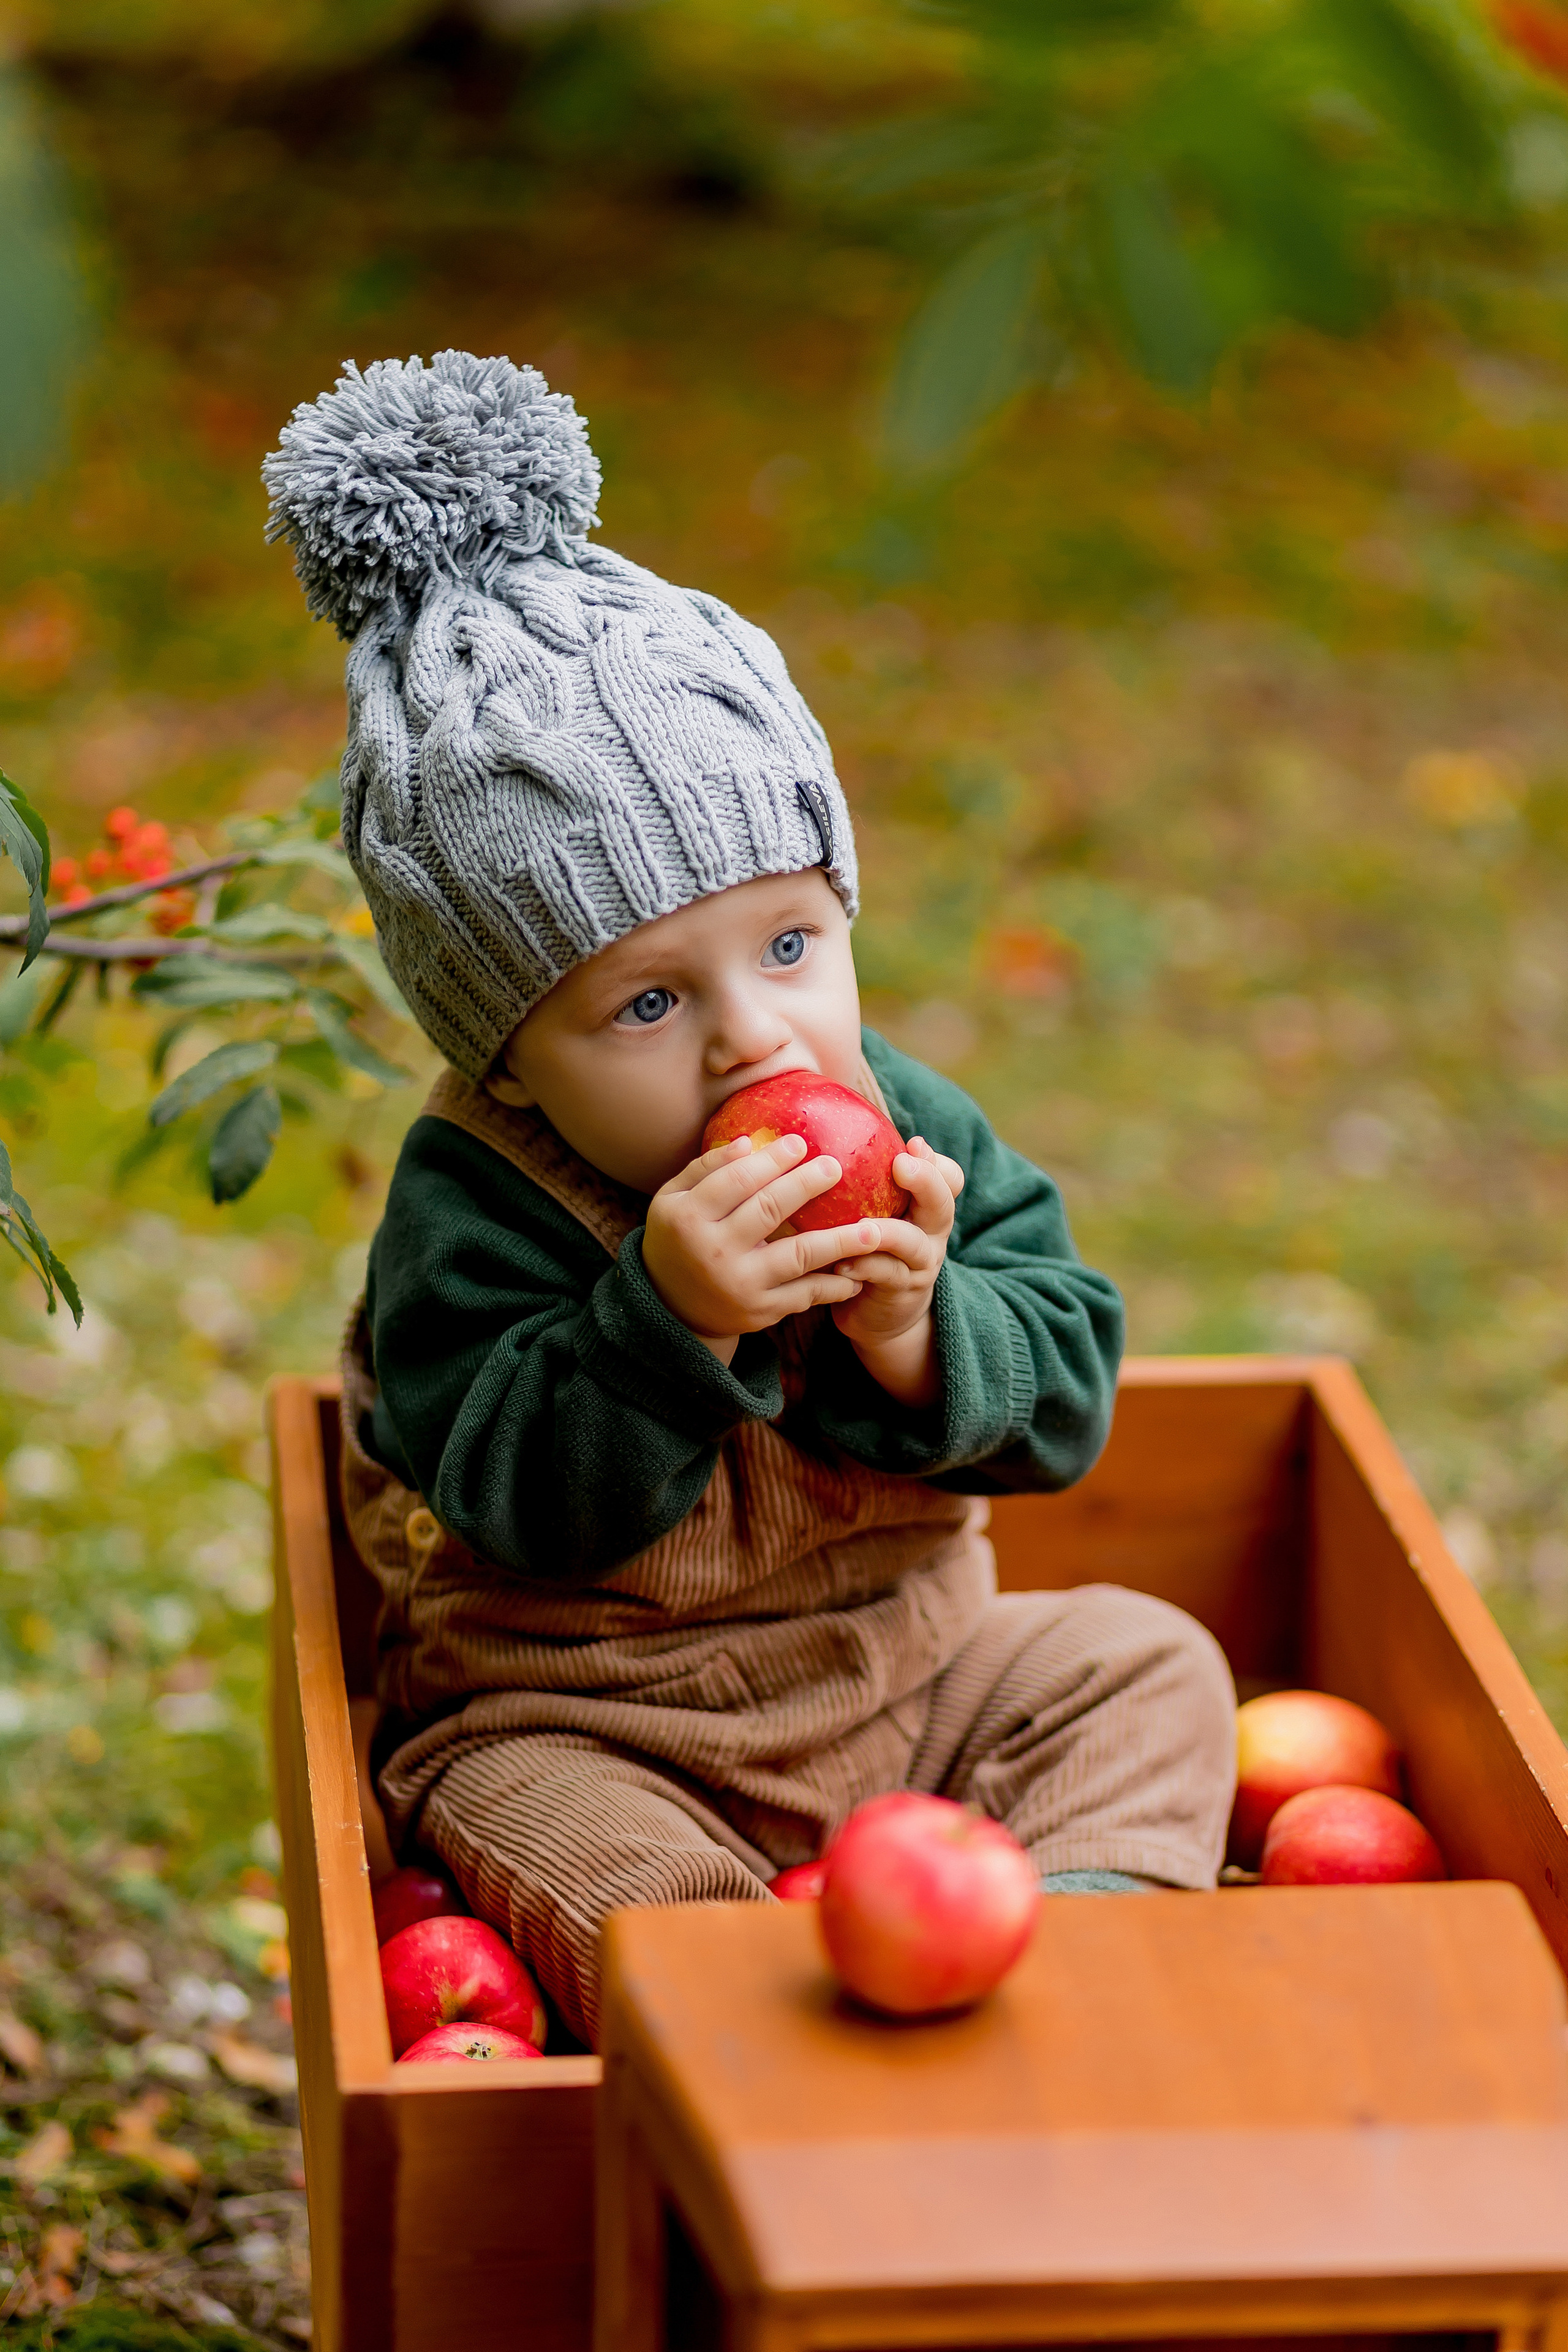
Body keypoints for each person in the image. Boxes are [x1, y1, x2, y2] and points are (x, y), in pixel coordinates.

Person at [262, 351, 1236, 2048]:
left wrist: (921, 1325)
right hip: (596, 1727)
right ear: (507, 1056)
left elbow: (1069, 1386)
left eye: (791, 945)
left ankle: (1064, 1984)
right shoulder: (477, 1197)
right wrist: (667, 1320)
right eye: (648, 1002)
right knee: (544, 1829)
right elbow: (510, 1497)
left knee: (1146, 1666)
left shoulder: (906, 1129)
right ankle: (764, 2035)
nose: (753, 1040)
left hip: (915, 1683)